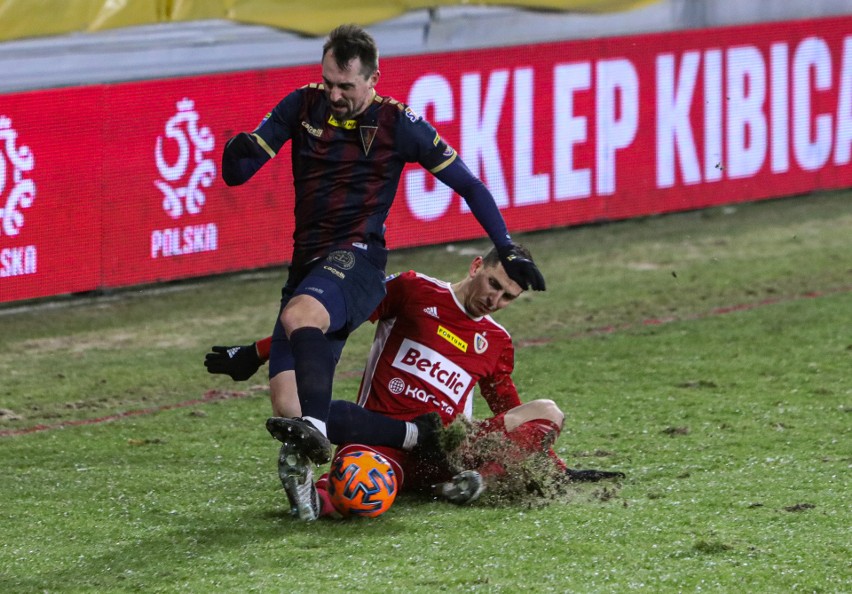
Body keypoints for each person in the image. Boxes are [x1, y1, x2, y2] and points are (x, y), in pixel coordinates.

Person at [220, 23, 546, 504]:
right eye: (328, 81)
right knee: (288, 408)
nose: (333, 93)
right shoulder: (301, 104)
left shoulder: (400, 124)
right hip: (308, 268)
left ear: (373, 79)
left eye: (345, 86)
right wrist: (237, 151)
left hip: (358, 262)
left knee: (300, 321)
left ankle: (316, 433)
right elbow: (238, 173)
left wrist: (507, 244)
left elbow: (471, 186)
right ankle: (410, 437)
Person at [206, 248, 622, 521]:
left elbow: (507, 411)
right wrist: (256, 353)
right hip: (382, 441)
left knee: (547, 410)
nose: (495, 301)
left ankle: (476, 482)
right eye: (494, 284)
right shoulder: (412, 290)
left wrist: (559, 469)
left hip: (446, 451)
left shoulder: (497, 342)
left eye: (508, 297)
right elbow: (329, 323)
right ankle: (315, 496)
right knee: (358, 486)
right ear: (476, 266)